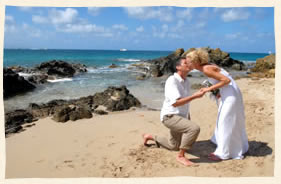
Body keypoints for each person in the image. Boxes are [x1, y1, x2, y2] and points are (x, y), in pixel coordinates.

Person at [185, 48, 249, 161]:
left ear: (195, 62)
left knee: (225, 121)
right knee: (227, 119)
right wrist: (218, 91)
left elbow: (226, 80)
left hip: (230, 94)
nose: (186, 63)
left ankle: (223, 153)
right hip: (230, 91)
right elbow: (223, 79)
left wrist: (208, 89)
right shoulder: (207, 66)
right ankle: (231, 146)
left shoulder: (206, 69)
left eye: (188, 61)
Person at [143, 57, 205, 166]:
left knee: (174, 146)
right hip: (170, 116)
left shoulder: (187, 81)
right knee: (194, 129)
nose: (189, 64)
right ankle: (181, 156)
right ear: (178, 67)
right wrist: (195, 96)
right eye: (186, 63)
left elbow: (184, 102)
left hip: (181, 116)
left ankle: (150, 137)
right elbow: (176, 103)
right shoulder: (172, 80)